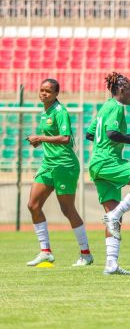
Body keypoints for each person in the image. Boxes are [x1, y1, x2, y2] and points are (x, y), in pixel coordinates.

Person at [86, 72, 130, 275]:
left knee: (112, 216)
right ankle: (115, 215)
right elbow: (111, 133)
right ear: (122, 90)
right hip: (108, 161)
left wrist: (105, 145)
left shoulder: (104, 108)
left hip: (97, 163)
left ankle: (111, 264)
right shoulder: (117, 107)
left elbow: (91, 133)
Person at [25, 78, 92, 267]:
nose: (43, 93)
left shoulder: (60, 111)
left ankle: (85, 253)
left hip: (64, 164)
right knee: (33, 205)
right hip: (48, 164)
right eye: (41, 89)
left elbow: (65, 138)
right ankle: (45, 251)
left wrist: (41, 137)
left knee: (67, 209)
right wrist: (40, 141)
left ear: (56, 94)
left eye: (48, 91)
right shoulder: (44, 111)